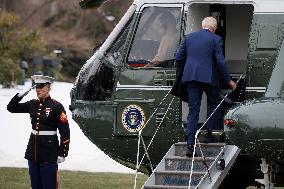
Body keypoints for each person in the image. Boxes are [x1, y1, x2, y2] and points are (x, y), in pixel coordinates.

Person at [175, 17, 236, 157]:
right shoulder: (215, 39)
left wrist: (191, 65)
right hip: (208, 78)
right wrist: (229, 81)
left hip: (191, 77)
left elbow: (178, 57)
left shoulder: (189, 38)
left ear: (203, 26)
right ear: (213, 28)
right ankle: (209, 133)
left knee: (193, 111)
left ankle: (190, 146)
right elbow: (220, 62)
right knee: (215, 102)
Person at [7, 75, 70, 189]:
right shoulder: (32, 104)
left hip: (49, 154)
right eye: (36, 87)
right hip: (33, 153)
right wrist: (21, 95)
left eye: (41, 86)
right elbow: (11, 108)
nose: (38, 89)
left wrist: (62, 153)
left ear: (48, 87)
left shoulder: (56, 106)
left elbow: (65, 132)